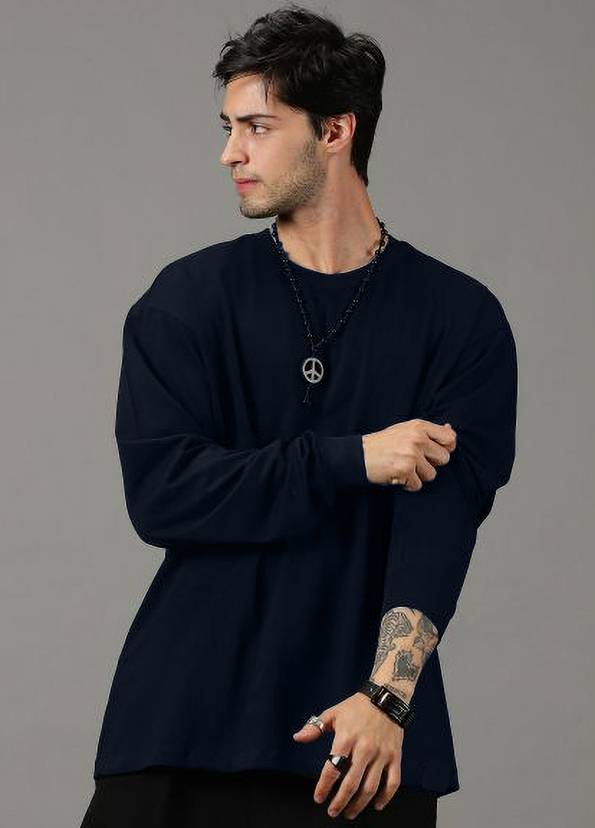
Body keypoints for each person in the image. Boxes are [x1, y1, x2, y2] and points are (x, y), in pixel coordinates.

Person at [80, 4, 517, 826]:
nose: (229, 153)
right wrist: (352, 458)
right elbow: (164, 494)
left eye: (256, 127)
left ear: (335, 131)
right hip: (182, 724)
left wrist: (386, 700)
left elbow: (441, 521)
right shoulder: (187, 300)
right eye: (227, 128)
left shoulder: (458, 318)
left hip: (360, 745)